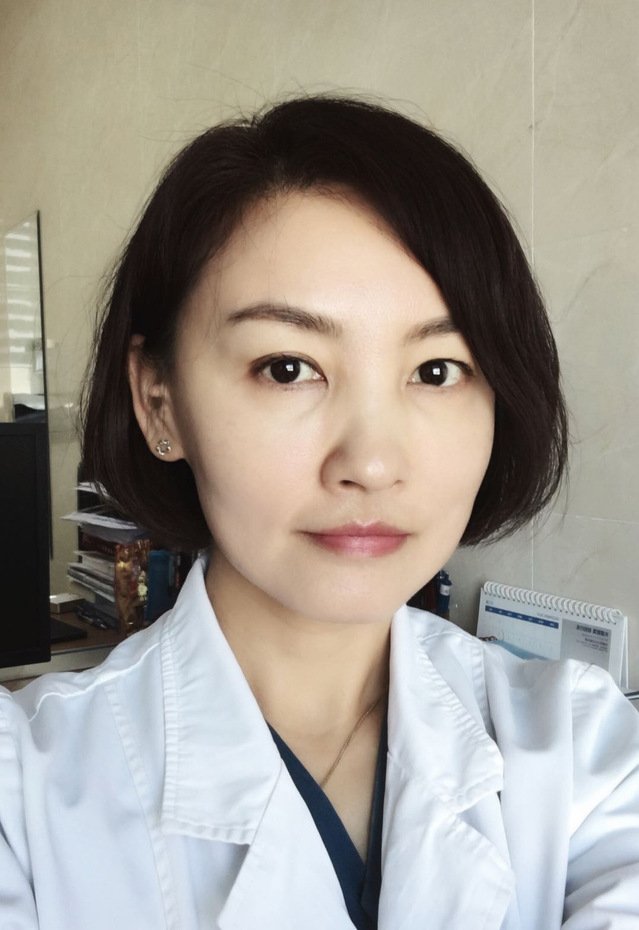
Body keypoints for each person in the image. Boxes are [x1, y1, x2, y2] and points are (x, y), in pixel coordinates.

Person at [1, 94, 638, 930]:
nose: (370, 463)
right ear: (159, 401)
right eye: (287, 367)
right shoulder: (23, 795)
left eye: (437, 371)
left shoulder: (585, 748)